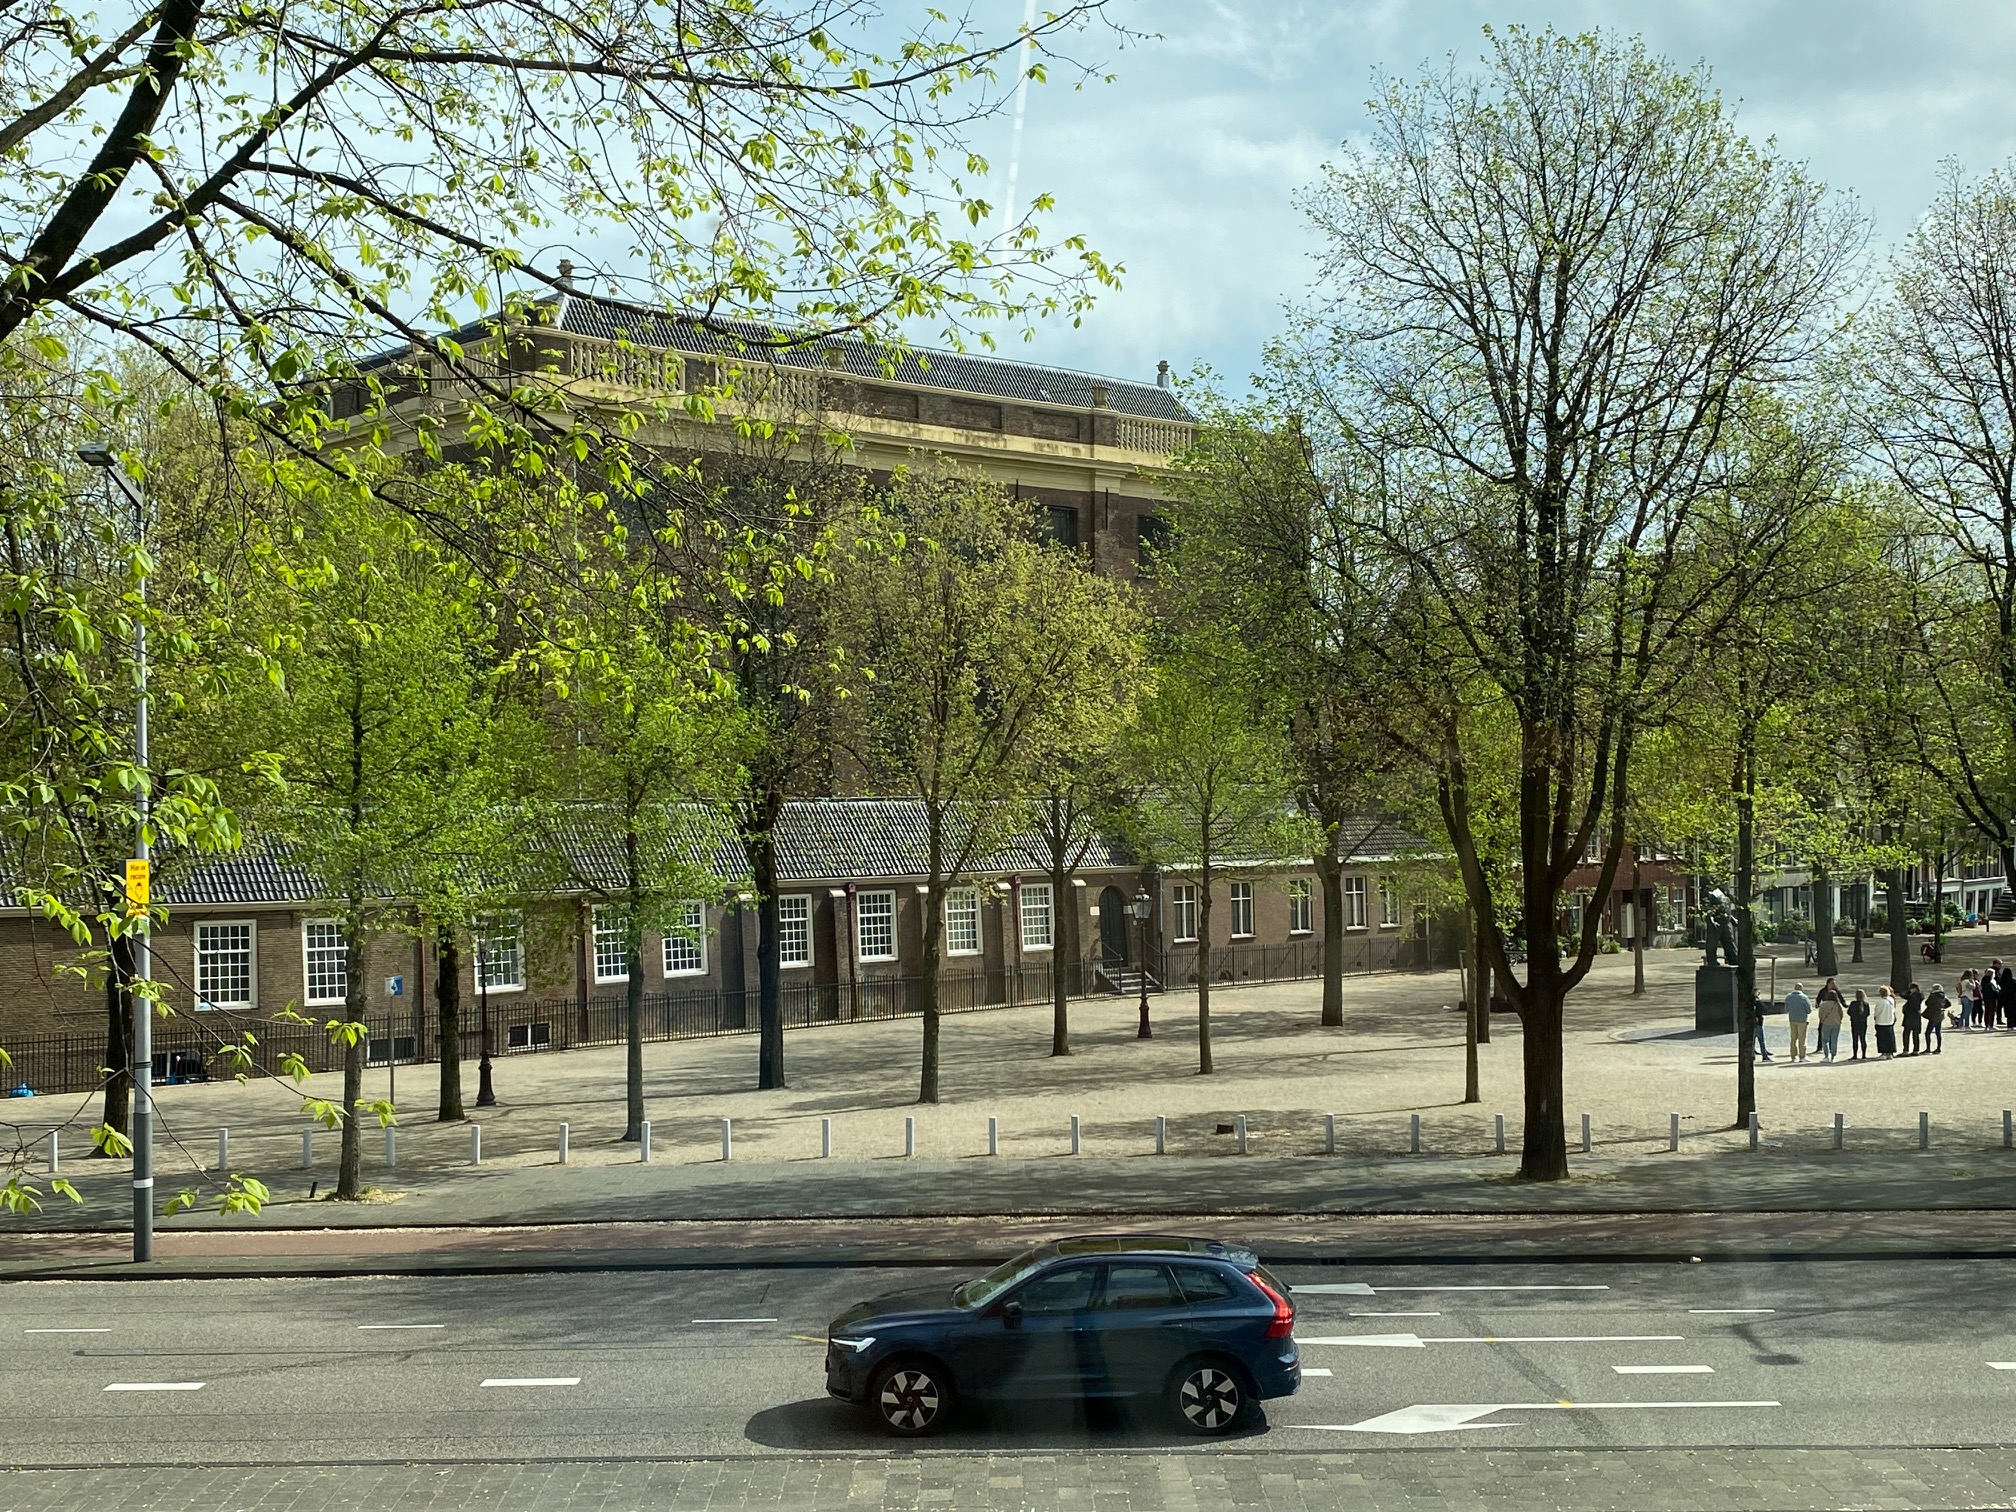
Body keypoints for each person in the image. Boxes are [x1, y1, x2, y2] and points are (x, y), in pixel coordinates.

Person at [1815, 978, 1845, 1063]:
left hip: (1826, 1021)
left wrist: (1822, 1019)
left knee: (1825, 1039)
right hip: (1836, 1023)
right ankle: (1832, 1055)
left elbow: (1820, 1013)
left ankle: (1826, 1055)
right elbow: (1841, 1014)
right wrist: (1839, 1020)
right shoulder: (1836, 1004)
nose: (1834, 985)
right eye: (1832, 983)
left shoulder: (1824, 1004)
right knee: (1834, 1039)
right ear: (1828, 983)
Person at [1783, 982, 1812, 1063]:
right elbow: (1809, 1010)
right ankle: (1802, 1056)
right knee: (1802, 1039)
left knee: (1793, 1038)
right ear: (1801, 988)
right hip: (1802, 1020)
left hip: (1792, 1019)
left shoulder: (1789, 997)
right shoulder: (1804, 997)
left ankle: (1793, 1057)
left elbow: (1786, 1009)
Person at [1874, 986, 1900, 1059]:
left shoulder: (1880, 1002)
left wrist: (1875, 1016)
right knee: (1890, 1037)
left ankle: (1883, 1053)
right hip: (1889, 1021)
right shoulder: (1891, 1000)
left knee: (1882, 1038)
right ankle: (1890, 1052)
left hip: (1881, 1021)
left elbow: (1877, 1012)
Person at [1924, 982, 1949, 1054]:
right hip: (1940, 1015)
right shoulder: (1944, 995)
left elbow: (1927, 1003)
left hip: (1933, 1015)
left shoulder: (1933, 996)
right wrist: (1942, 1007)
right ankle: (1938, 1048)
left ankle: (1928, 1049)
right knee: (1938, 1032)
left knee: (1928, 1033)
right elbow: (1949, 1003)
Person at [1848, 989, 1872, 1061]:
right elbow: (1868, 1014)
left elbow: (1849, 1012)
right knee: (1863, 1039)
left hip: (1854, 1023)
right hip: (1863, 1023)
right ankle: (1864, 1055)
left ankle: (1855, 1055)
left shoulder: (1853, 1004)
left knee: (1855, 1039)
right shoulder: (1866, 1004)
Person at [1902, 983, 1924, 1056]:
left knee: (1906, 1034)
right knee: (1915, 1035)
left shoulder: (1911, 997)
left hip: (1909, 1017)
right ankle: (1916, 1050)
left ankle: (1906, 1050)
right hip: (1917, 1017)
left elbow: (1902, 994)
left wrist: (1908, 991)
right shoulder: (1920, 996)